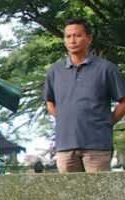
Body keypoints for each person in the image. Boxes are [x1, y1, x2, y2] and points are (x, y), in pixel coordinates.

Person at [44, 18, 125, 172]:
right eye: (68, 36)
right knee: (68, 188)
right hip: (65, 146)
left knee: (98, 188)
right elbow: (50, 103)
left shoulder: (106, 69)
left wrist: (107, 122)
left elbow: (123, 101)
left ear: (89, 38)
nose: (72, 40)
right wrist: (66, 122)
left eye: (77, 35)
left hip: (97, 145)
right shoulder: (55, 71)